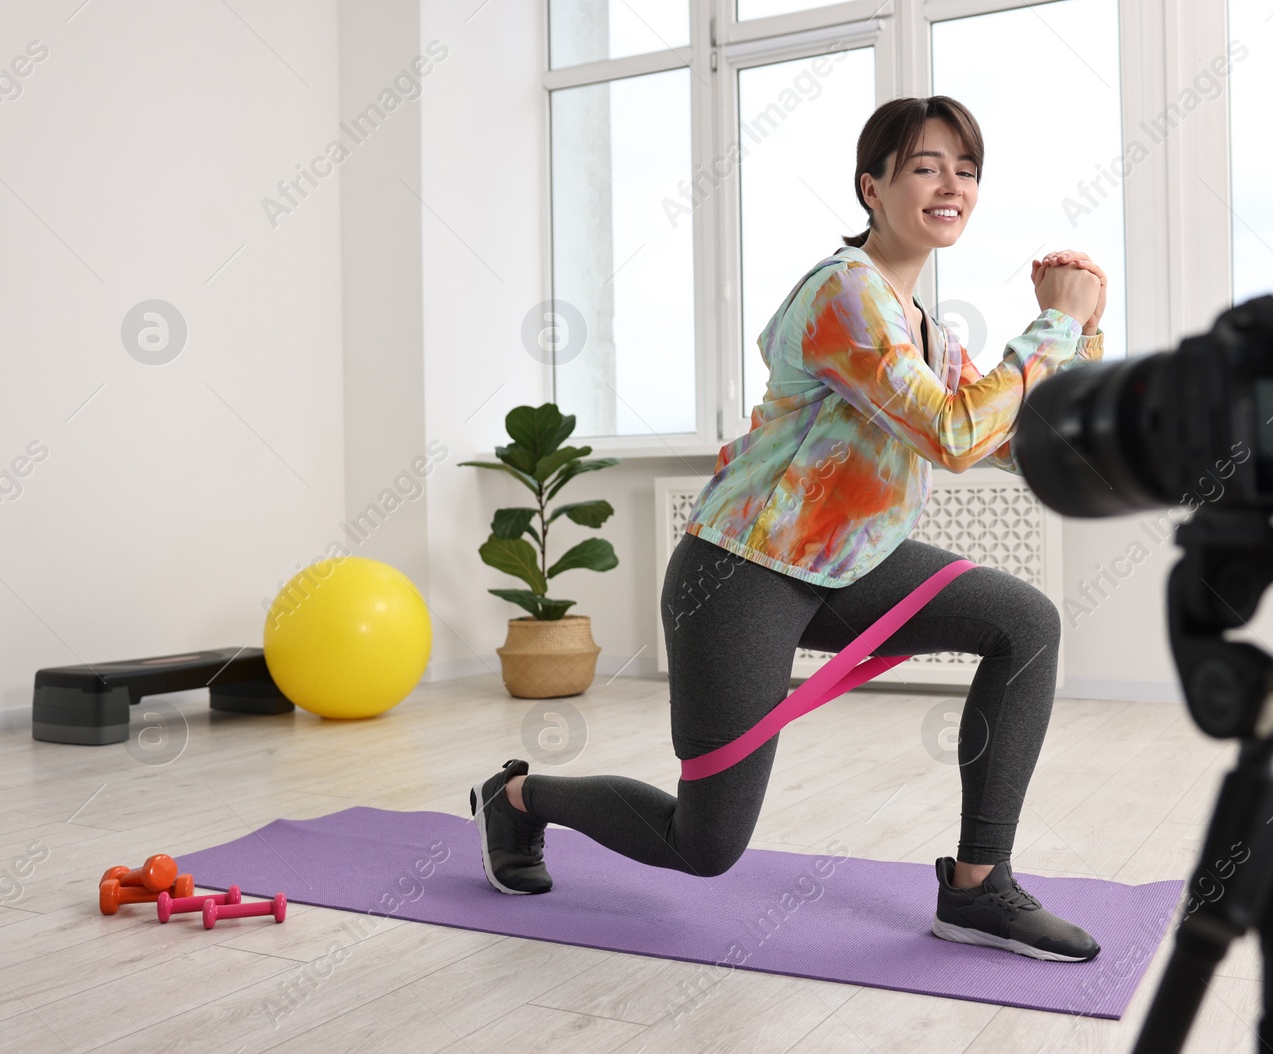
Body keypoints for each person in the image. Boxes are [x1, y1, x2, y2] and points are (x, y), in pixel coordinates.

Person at [470, 95, 1111, 962]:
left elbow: (998, 437)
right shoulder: (842, 294)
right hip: (741, 571)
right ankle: (516, 799)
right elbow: (954, 435)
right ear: (872, 187)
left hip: (852, 565)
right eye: (926, 165)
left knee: (1025, 623)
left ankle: (977, 889)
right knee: (705, 846)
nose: (950, 184)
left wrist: (1085, 343)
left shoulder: (928, 329)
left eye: (966, 170)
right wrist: (1056, 325)